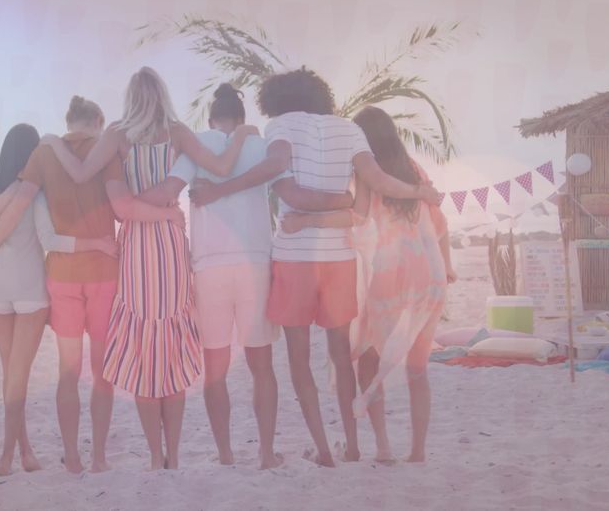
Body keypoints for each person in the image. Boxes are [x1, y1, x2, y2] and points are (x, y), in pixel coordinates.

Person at [189, 68, 439, 466]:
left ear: (277, 100)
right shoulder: (348, 129)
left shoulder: (281, 125)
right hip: (339, 259)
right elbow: (376, 180)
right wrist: (418, 192)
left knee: (299, 361)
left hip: (295, 258)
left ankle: (324, 449)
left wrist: (220, 190)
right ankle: (353, 446)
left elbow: (284, 185)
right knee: (342, 357)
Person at [43, 68, 243, 470]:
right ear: (163, 95)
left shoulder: (116, 134)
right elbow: (221, 168)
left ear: (131, 97)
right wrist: (241, 135)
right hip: (169, 246)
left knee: (146, 352)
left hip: (135, 245)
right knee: (169, 352)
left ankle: (155, 455)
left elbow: (80, 174)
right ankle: (173, 455)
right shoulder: (178, 131)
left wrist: (51, 142)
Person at [136, 84, 342, 469]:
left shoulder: (196, 143)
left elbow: (169, 190)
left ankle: (226, 454)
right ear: (242, 118)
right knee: (260, 365)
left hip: (209, 266)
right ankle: (265, 453)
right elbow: (290, 191)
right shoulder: (261, 143)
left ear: (213, 118)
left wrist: (125, 201)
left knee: (215, 369)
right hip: (254, 263)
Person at [0, 94, 181, 473]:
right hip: (104, 274)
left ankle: (73, 458)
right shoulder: (106, 151)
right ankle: (98, 456)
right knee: (102, 372)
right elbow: (120, 206)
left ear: (68, 120)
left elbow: (18, 205)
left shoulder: (45, 154)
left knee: (68, 371)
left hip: (62, 276)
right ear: (98, 119)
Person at [282, 106, 455, 463]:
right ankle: (418, 451)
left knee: (367, 360)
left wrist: (306, 220)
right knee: (418, 367)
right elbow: (441, 225)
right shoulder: (415, 171)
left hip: (390, 276)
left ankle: (384, 448)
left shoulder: (366, 173)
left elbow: (356, 216)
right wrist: (449, 268)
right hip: (430, 277)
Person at [0, 123, 118, 476]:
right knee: (20, 374)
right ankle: (10, 454)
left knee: (10, 373)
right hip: (28, 288)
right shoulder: (37, 195)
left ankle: (22, 450)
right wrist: (97, 244)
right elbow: (51, 240)